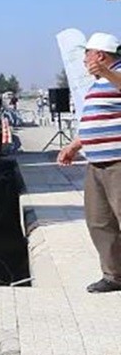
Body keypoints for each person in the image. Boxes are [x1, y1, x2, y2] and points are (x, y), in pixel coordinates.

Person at [57, 31, 121, 293]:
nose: (84, 60)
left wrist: (107, 74)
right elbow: (96, 120)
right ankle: (114, 275)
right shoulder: (100, 83)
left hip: (117, 162)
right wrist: (74, 146)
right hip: (96, 164)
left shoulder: (114, 75)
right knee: (99, 221)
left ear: (100, 55)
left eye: (87, 54)